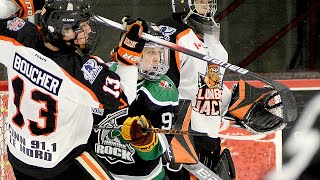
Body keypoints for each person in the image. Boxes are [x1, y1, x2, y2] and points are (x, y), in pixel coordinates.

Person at [0, 0, 148, 179]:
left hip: (19, 159)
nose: (89, 31)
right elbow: (124, 97)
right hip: (63, 164)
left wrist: (19, 4)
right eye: (82, 27)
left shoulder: (17, 37)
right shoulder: (77, 72)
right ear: (64, 31)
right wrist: (128, 59)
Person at [89, 24, 179, 180]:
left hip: (143, 177)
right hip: (99, 171)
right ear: (133, 53)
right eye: (151, 52)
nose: (157, 58)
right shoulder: (103, 74)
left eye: (160, 52)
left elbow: (158, 149)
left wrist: (146, 143)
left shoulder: (163, 90)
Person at [157, 0, 234, 178]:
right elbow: (164, 90)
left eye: (209, 1)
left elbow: (211, 88)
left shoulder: (215, 45)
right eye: (201, 1)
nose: (207, 6)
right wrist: (172, 133)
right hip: (184, 136)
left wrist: (237, 104)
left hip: (210, 138)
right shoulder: (173, 35)